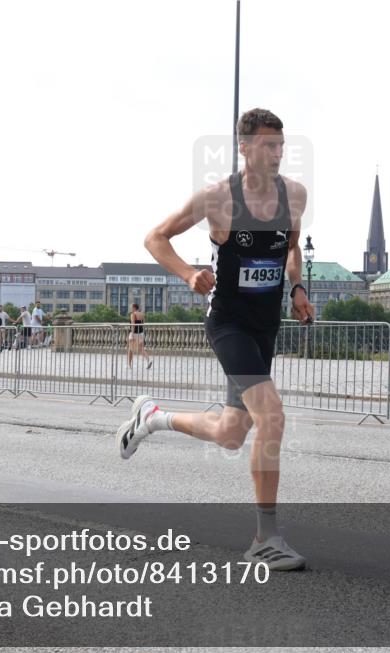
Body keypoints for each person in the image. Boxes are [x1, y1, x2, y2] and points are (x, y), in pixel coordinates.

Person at [115, 109, 314, 570]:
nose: (277, 153)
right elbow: (155, 237)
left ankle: (152, 416)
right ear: (244, 147)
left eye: (281, 145)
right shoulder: (218, 199)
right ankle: (265, 539)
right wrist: (187, 273)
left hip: (266, 328)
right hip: (229, 325)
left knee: (230, 433)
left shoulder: (295, 196)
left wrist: (298, 288)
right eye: (267, 145)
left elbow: (290, 248)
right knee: (273, 417)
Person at [127, 303, 152, 370]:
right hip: (141, 333)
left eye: (131, 307)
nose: (131, 309)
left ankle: (129, 365)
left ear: (134, 307)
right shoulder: (142, 314)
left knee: (130, 349)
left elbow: (133, 324)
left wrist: (132, 334)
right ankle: (148, 360)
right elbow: (143, 324)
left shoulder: (133, 314)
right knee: (141, 349)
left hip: (134, 333)